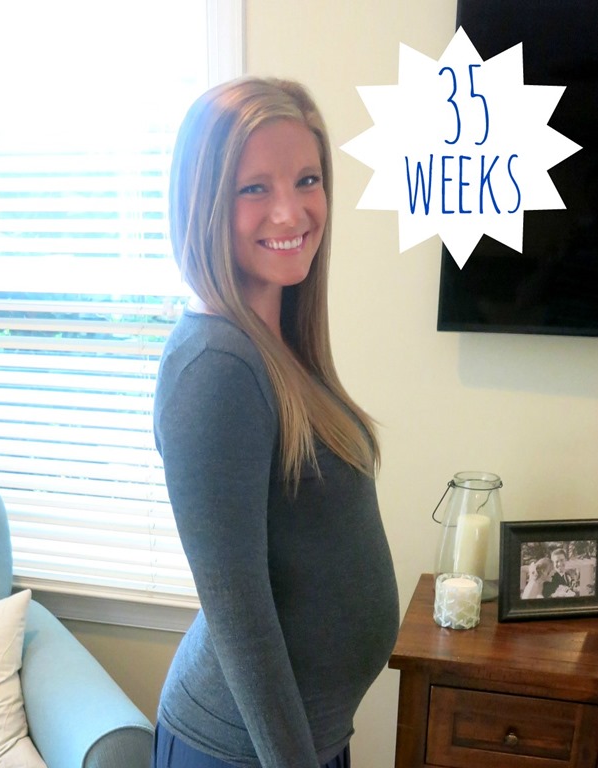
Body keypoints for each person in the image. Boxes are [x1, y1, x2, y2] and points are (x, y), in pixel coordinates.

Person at [152, 76, 399, 768]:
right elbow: (242, 620)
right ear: (205, 202)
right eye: (254, 188)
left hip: (303, 740)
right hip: (245, 752)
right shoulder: (215, 368)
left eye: (307, 180)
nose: (291, 212)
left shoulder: (280, 343)